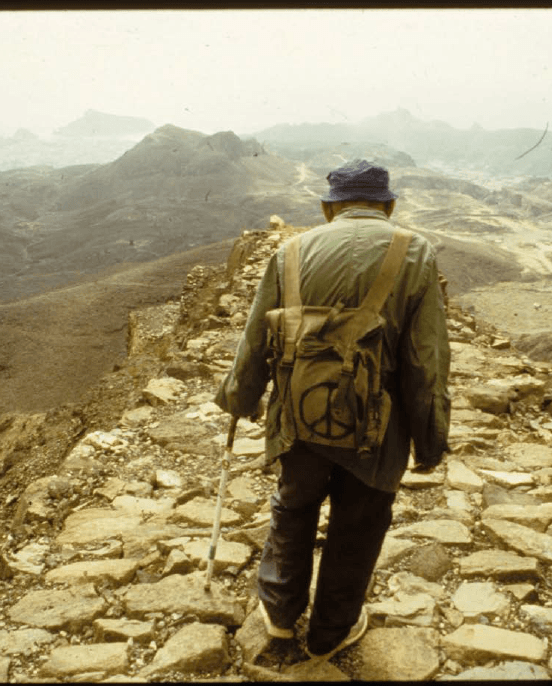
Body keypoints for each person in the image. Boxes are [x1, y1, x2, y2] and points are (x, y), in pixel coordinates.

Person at [215, 159, 451, 659]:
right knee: (361, 520)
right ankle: (331, 631)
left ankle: (279, 616)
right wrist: (430, 441)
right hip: (377, 427)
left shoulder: (291, 251)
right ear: (388, 206)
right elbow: (425, 360)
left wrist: (240, 398)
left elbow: (256, 336)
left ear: (327, 209)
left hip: (299, 414)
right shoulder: (415, 253)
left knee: (293, 505)